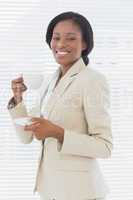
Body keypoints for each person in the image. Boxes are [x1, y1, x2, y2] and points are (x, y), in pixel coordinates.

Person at [8, 11, 113, 200]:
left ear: (85, 44)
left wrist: (57, 133)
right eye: (56, 38)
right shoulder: (49, 81)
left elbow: (104, 146)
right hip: (50, 190)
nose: (61, 44)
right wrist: (17, 99)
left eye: (70, 38)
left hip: (81, 193)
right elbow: (26, 136)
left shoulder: (93, 80)